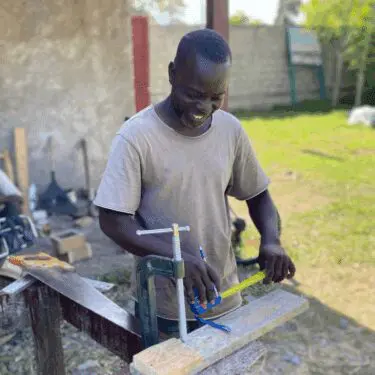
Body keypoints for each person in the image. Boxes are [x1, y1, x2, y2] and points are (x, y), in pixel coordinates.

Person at [94, 29, 296, 338]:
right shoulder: (136, 137)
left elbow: (258, 196)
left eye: (216, 98)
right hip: (163, 310)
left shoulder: (230, 131)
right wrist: (176, 261)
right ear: (173, 73)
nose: (203, 108)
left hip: (227, 301)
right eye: (193, 94)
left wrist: (271, 239)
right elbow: (114, 220)